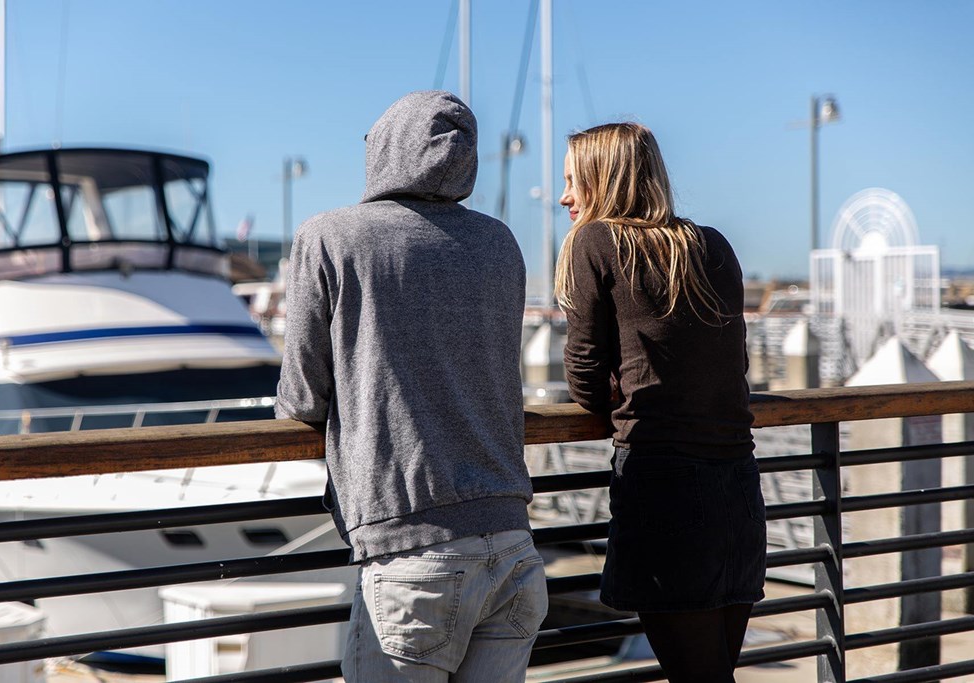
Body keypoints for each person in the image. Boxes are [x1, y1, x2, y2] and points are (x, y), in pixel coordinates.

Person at [275, 90, 548, 683]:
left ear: (385, 150)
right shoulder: (500, 242)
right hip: (513, 544)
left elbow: (301, 397)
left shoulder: (331, 237)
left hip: (412, 552)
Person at [555, 122, 765, 683]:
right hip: (736, 489)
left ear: (606, 178)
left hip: (664, 488)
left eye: (574, 180)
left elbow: (582, 378)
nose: (564, 196)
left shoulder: (596, 243)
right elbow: (732, 367)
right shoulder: (714, 244)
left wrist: (621, 389)